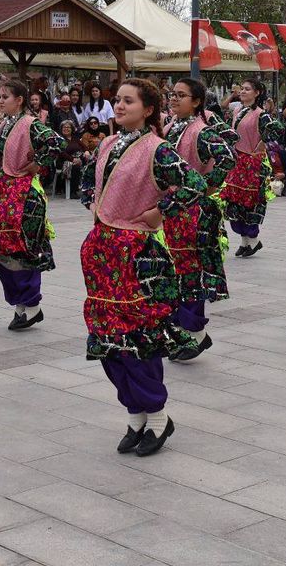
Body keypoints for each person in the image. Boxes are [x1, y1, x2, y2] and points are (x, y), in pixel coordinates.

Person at [79, 77, 207, 457]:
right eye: (117, 100)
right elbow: (89, 182)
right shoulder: (106, 144)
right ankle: (134, 414)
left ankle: (156, 416)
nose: (118, 107)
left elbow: (194, 184)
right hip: (103, 252)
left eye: (128, 101)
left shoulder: (158, 150)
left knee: (139, 337)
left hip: (138, 256)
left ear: (148, 109)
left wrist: (157, 213)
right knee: (108, 338)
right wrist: (92, 202)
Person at [0, 79, 67, 331]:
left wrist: (37, 163)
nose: (0, 100)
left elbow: (57, 143)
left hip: (25, 195)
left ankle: (32, 305)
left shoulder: (30, 124)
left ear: (19, 100)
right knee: (2, 248)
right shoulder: (5, 124)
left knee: (24, 248)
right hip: (4, 190)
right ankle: (21, 304)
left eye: (6, 96)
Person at [163, 77, 237, 361]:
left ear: (195, 101)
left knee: (191, 271)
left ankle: (195, 333)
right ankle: (180, 330)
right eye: (172, 94)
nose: (173, 99)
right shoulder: (169, 128)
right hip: (171, 209)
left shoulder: (201, 131)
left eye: (181, 95)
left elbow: (227, 158)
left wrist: (208, 185)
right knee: (173, 270)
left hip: (194, 211)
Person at [219, 78, 284, 257]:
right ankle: (245, 241)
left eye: (247, 89)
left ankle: (253, 239)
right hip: (238, 162)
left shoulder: (261, 114)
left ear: (256, 93)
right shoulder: (238, 109)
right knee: (234, 202)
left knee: (250, 202)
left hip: (252, 164)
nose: (243, 92)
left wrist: (262, 145)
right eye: (242, 89)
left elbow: (276, 131)